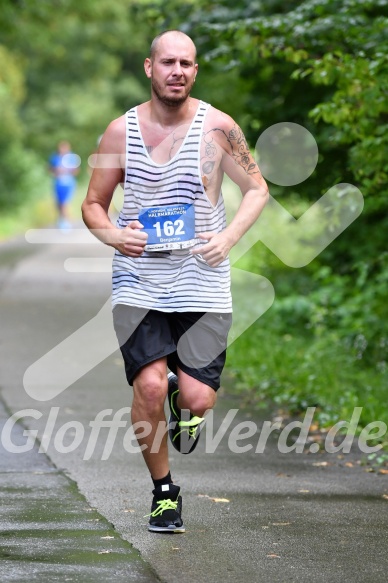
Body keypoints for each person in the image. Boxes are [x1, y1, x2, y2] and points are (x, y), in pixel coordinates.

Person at [81, 30, 269, 533]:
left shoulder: (219, 129)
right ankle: (164, 491)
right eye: (168, 62)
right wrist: (115, 236)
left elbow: (256, 189)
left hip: (204, 282)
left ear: (195, 71)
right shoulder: (120, 133)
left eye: (186, 63)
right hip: (139, 282)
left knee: (198, 399)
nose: (177, 71)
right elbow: (93, 205)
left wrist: (228, 238)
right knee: (146, 383)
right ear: (149, 67)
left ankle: (182, 400)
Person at [49, 140, 80, 230]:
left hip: (69, 183)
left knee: (65, 203)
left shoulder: (72, 157)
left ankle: (66, 221)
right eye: (61, 148)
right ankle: (61, 219)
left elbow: (76, 171)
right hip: (58, 183)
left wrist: (69, 170)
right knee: (59, 203)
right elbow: (49, 169)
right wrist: (56, 171)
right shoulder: (55, 157)